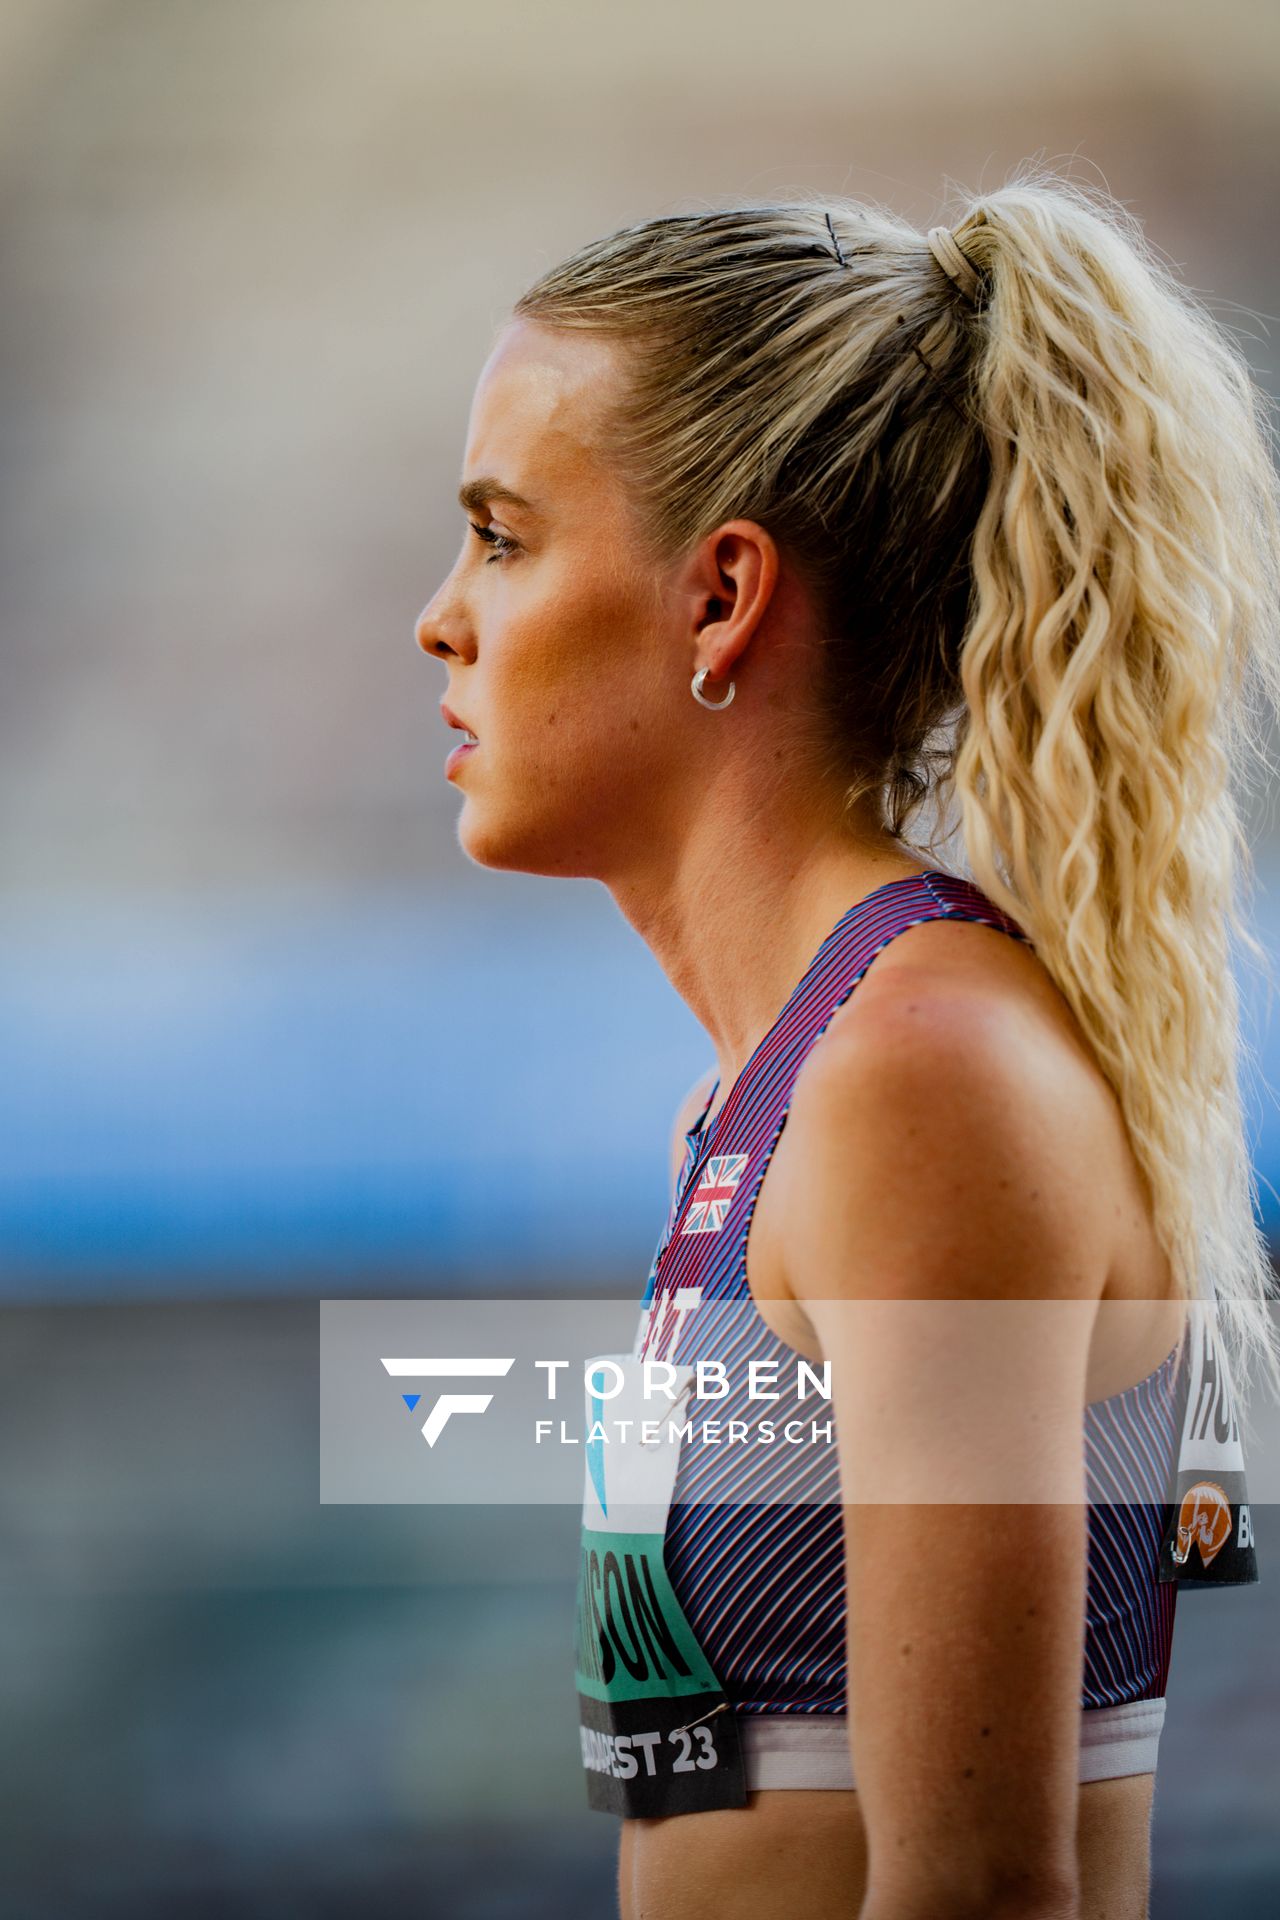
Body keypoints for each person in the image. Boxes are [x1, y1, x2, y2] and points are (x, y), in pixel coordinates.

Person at [414, 168, 1279, 1920]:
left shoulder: (921, 1078)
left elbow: (980, 1894)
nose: (443, 615)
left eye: (504, 538)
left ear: (723, 595)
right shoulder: (775, 1091)